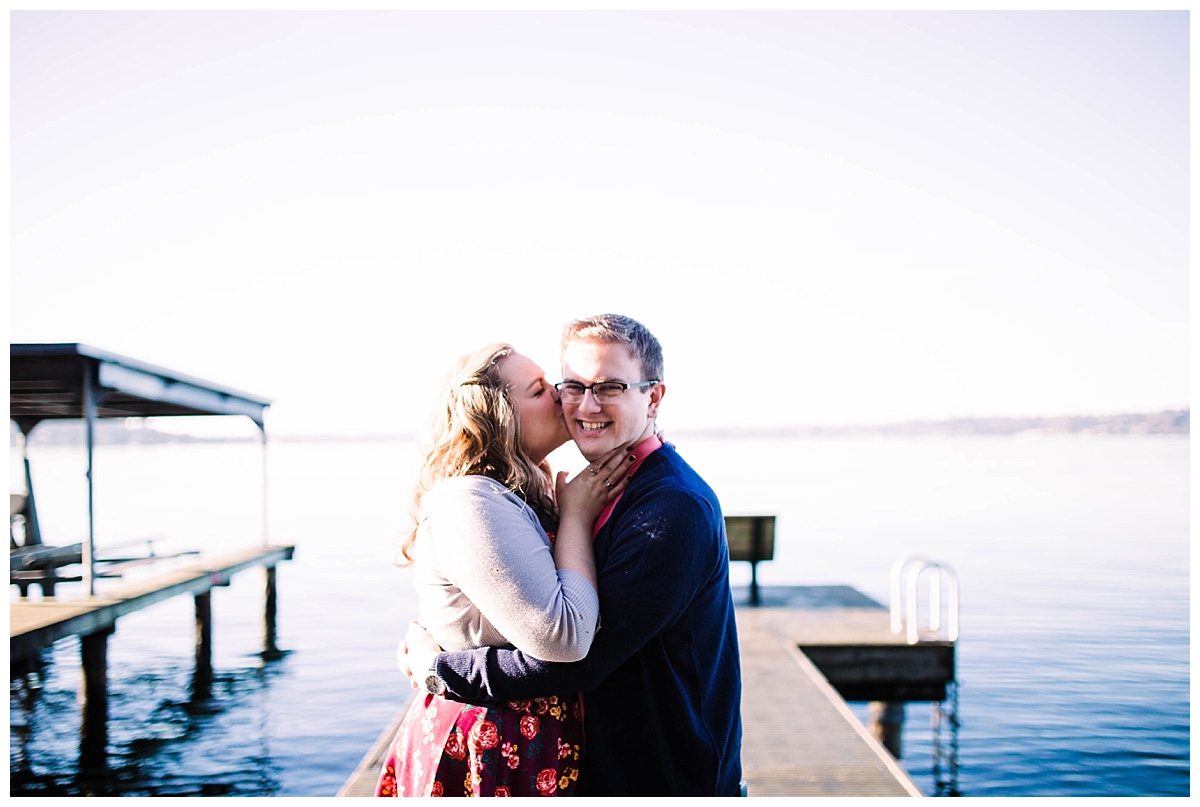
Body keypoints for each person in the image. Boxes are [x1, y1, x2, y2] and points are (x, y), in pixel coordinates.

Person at [405, 314, 743, 796]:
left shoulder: (671, 508)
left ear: (652, 397)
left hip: (663, 775)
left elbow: (578, 658)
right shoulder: (601, 490)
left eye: (609, 387)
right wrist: (430, 624)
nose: (586, 404)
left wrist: (440, 669)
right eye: (572, 386)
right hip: (602, 767)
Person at [374, 342, 635, 797]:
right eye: (538, 391)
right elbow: (566, 637)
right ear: (498, 417)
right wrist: (575, 516)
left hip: (528, 739)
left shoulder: (516, 489)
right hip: (491, 745)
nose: (559, 395)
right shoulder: (470, 500)